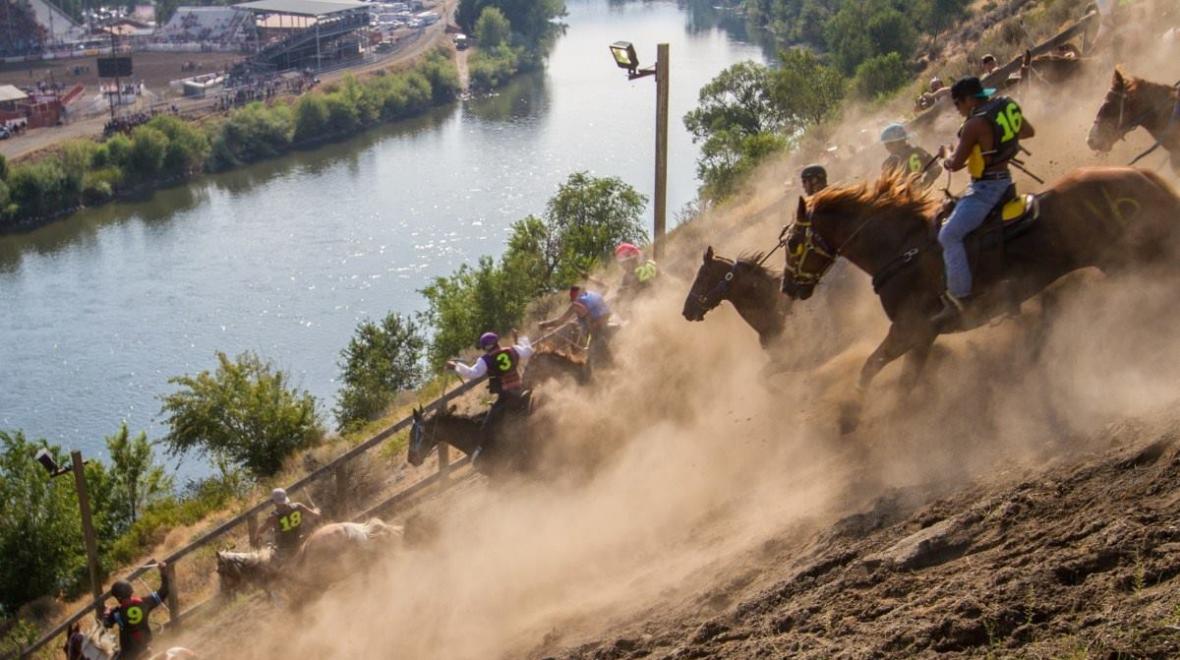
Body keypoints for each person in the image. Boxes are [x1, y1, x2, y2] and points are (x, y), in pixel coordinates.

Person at [933, 76, 1035, 329]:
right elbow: (1028, 132)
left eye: (957, 104)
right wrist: (1002, 142)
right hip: (1005, 181)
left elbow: (956, 165)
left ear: (967, 100)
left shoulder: (974, 124)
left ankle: (963, 300)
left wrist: (944, 157)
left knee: (949, 235)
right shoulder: (1005, 106)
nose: (958, 109)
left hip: (985, 190)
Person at [448, 331, 534, 454]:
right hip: (521, 389)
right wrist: (521, 338)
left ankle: (491, 451)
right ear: (496, 341)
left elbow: (473, 373)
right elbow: (528, 351)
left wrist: (455, 366)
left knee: (488, 425)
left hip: (507, 396)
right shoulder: (512, 349)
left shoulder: (485, 360)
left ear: (485, 347)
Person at [101, 561, 170, 660]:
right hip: (146, 647)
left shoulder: (116, 613)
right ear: (130, 591)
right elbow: (164, 591)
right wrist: (163, 572)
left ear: (118, 597)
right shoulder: (144, 602)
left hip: (129, 655)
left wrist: (106, 612)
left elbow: (106, 624)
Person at [540, 286, 612, 362]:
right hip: (606, 321)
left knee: (592, 360)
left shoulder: (576, 305)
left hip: (597, 329)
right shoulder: (592, 294)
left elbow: (561, 321)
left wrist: (545, 324)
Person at [880, 123, 942, 187]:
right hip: (924, 194)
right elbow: (937, 168)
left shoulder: (890, 162)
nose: (887, 147)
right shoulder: (918, 151)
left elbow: (886, 187)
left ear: (901, 141)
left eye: (890, 144)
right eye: (886, 144)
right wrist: (924, 184)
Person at [268, 487, 320, 563]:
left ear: (274, 502)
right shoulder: (299, 506)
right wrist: (317, 510)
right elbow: (315, 515)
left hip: (283, 549)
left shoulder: (273, 516)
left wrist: (257, 535)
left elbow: (260, 530)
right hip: (298, 542)